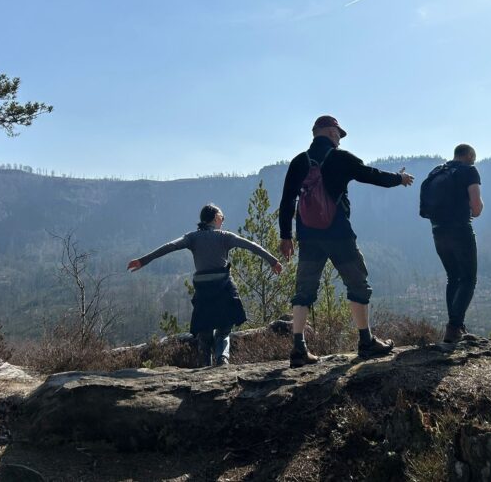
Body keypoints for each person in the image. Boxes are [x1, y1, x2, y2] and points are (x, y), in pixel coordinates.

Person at [279, 115, 414, 368]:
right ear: (331, 133)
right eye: (338, 135)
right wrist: (399, 178)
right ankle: (366, 342)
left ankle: (298, 349)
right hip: (339, 233)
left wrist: (286, 236)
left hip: (308, 236)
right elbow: (371, 175)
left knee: (304, 290)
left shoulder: (298, 161)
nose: (339, 140)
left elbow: (287, 202)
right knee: (358, 284)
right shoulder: (341, 158)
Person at [127, 204, 282, 366]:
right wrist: (273, 261)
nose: (223, 221)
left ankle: (204, 367)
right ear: (216, 218)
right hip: (224, 287)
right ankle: (223, 359)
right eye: (222, 217)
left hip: (203, 290)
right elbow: (252, 246)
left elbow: (170, 247)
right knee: (223, 330)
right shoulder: (224, 236)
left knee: (204, 333)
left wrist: (143, 261)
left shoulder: (192, 237)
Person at [425, 143, 483, 343]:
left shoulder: (437, 171)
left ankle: (456, 326)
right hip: (460, 231)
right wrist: (474, 208)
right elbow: (476, 208)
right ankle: (454, 327)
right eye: (473, 159)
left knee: (453, 278)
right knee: (468, 278)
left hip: (438, 231)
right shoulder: (469, 171)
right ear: (468, 156)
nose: (473, 162)